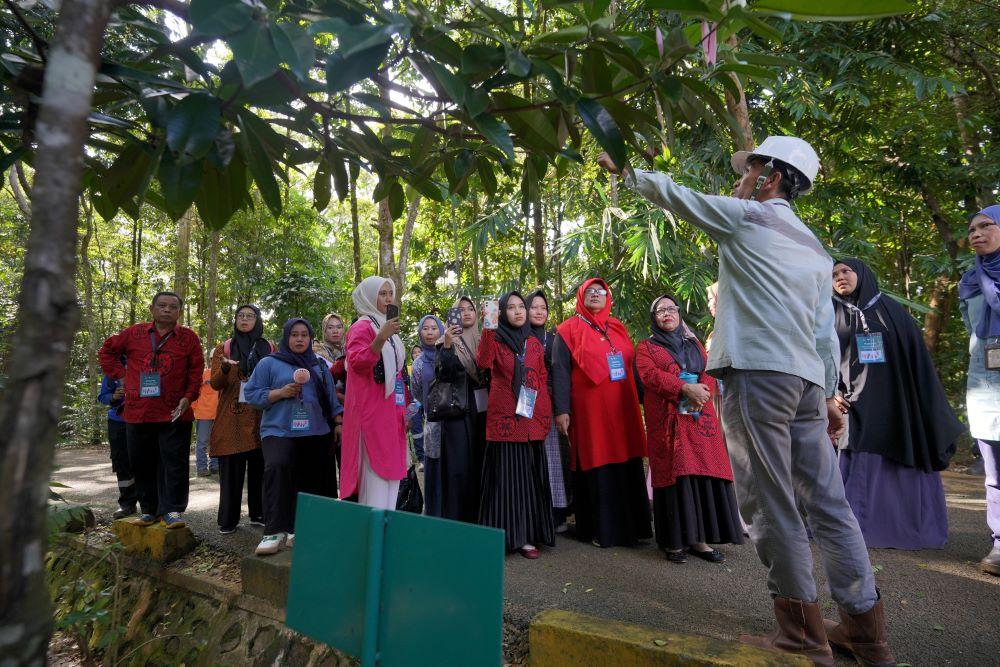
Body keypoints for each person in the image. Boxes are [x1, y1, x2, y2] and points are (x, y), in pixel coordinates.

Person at [599, 136, 893, 666]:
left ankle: (802, 635)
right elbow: (826, 335)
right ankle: (865, 633)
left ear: (770, 177)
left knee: (771, 501)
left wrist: (626, 172)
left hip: (758, 378)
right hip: (805, 385)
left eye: (747, 168)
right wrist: (829, 395)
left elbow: (678, 197)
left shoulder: (748, 218)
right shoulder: (814, 248)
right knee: (829, 505)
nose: (739, 178)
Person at [832, 259, 963, 550]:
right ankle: (847, 527)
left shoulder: (891, 311)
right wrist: (831, 391)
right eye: (834, 274)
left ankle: (891, 526)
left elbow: (914, 363)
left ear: (862, 274)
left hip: (892, 404)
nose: (840, 277)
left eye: (846, 272)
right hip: (844, 402)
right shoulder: (828, 313)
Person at [635, 295, 743, 564]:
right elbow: (650, 376)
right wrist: (683, 388)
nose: (666, 315)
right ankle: (673, 542)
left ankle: (699, 540)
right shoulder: (646, 347)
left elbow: (708, 367)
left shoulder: (692, 342)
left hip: (698, 419)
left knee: (700, 476)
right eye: (660, 311)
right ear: (654, 318)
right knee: (674, 480)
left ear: (679, 314)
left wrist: (702, 390)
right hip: (668, 421)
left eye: (671, 309)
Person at [551, 278, 651, 548]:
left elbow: (631, 366)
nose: (596, 295)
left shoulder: (616, 326)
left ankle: (635, 528)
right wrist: (562, 410)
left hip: (623, 407)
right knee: (597, 461)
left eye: (601, 292)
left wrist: (646, 399)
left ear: (608, 298)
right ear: (581, 297)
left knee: (627, 460)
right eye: (590, 292)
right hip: (590, 412)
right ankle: (601, 530)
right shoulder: (566, 330)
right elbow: (559, 371)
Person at [98, 291, 203, 529]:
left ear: (179, 312)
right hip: (138, 410)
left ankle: (172, 510)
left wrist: (189, 397)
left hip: (175, 411)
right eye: (162, 305)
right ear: (152, 308)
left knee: (174, 462)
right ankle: (148, 509)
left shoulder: (189, 338)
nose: (167, 309)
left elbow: (196, 371)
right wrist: (122, 377)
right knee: (141, 461)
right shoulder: (133, 333)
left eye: (173, 307)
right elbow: (106, 351)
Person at [244, 318, 343, 555]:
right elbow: (251, 395)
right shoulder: (269, 363)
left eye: (304, 335)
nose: (299, 339)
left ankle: (301, 529)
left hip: (316, 431)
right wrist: (280, 393)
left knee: (311, 479)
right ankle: (274, 531)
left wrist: (338, 423)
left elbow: (331, 398)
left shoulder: (318, 364)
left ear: (310, 338)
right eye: (294, 335)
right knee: (277, 469)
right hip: (278, 430)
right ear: (286, 337)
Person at [476, 291, 555, 558]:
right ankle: (510, 537)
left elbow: (541, 379)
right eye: (511, 308)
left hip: (531, 421)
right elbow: (484, 362)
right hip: (505, 422)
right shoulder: (496, 340)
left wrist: (544, 419)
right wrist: (489, 324)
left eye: (521, 306)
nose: (519, 312)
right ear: (502, 312)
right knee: (509, 482)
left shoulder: (533, 342)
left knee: (530, 481)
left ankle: (530, 535)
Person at [341, 277, 408, 510]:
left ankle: (385, 535)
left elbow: (398, 375)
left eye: (391, 293)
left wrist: (404, 409)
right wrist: (380, 337)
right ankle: (371, 537)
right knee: (376, 477)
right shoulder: (362, 327)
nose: (389, 298)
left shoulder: (389, 328)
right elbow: (358, 362)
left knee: (392, 479)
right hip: (372, 413)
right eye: (382, 294)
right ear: (370, 297)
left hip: (391, 412)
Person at [959, 204, 1000, 577]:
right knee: (994, 470)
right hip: (986, 385)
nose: (976, 233)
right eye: (971, 229)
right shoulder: (970, 282)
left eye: (986, 225)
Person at [209, 304, 272, 534]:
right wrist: (225, 369)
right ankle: (228, 520)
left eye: (250, 316)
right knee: (231, 473)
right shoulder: (223, 349)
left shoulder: (268, 347)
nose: (245, 320)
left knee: (260, 470)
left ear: (258, 320)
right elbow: (215, 384)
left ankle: (259, 514)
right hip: (231, 418)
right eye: (241, 316)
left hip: (260, 417)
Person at [431, 296, 485, 522]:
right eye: (460, 310)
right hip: (457, 413)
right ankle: (457, 520)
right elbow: (444, 374)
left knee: (480, 465)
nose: (466, 313)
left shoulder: (485, 338)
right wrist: (448, 344)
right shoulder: (445, 342)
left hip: (482, 411)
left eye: (470, 309)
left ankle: (479, 518)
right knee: (458, 467)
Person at [526, 290, 570, 532]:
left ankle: (556, 513)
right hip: (525, 406)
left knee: (553, 459)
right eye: (534, 307)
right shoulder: (519, 336)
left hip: (551, 405)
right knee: (530, 459)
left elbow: (562, 374)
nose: (539, 311)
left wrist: (562, 407)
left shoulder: (555, 338)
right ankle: (533, 512)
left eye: (543, 307)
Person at [411, 315, 444, 512]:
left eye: (434, 328)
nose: (430, 332)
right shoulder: (418, 364)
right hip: (433, 422)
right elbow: (416, 392)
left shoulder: (450, 352)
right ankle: (434, 510)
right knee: (435, 465)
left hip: (454, 420)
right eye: (426, 328)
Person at [97, 363, 137, 519]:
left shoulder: (144, 364)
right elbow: (103, 395)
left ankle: (151, 505)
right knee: (121, 461)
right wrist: (114, 397)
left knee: (144, 459)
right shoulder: (113, 369)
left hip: (141, 418)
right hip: (117, 420)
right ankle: (127, 504)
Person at [191, 363, 219, 476]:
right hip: (204, 414)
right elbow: (194, 392)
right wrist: (194, 409)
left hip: (218, 414)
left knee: (216, 442)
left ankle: (215, 466)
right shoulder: (203, 375)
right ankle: (202, 468)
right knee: (202, 443)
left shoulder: (223, 375)